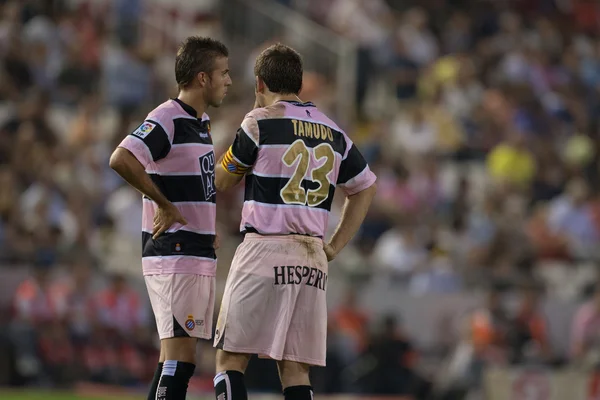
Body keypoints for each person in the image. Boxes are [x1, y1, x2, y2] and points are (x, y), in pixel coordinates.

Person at [212, 44, 377, 400]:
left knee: (230, 358)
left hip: (264, 247)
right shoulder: (334, 131)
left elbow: (222, 181)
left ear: (259, 83)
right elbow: (365, 186)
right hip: (312, 258)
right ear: (299, 84)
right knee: (295, 368)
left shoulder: (260, 121)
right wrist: (334, 244)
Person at [109, 36, 231, 400]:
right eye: (223, 73)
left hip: (194, 248)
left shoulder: (201, 122)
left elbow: (193, 183)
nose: (229, 81)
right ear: (202, 78)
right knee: (181, 358)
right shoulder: (167, 117)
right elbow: (122, 158)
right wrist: (161, 203)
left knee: (172, 359)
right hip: (173, 250)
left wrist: (208, 228)